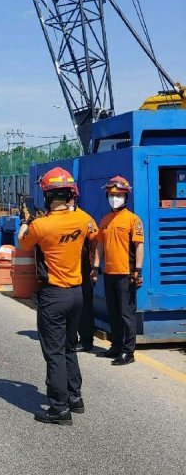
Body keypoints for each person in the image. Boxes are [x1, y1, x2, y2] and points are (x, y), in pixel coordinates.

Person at [18, 167, 99, 425]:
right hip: (76, 293)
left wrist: (25, 220)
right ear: (70, 194)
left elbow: (23, 242)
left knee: (53, 352)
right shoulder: (84, 219)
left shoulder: (40, 226)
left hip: (54, 296)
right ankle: (75, 398)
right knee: (68, 347)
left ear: (47, 196)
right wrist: (94, 266)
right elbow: (95, 237)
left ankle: (59, 408)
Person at [92, 176, 144, 366]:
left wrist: (137, 270)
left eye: (119, 195)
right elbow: (100, 245)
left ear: (126, 197)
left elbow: (139, 246)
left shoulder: (133, 220)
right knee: (113, 312)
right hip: (110, 273)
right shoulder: (105, 220)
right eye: (112, 195)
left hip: (126, 273)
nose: (115, 198)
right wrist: (95, 267)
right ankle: (116, 346)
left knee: (126, 314)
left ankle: (128, 352)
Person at [69, 187, 97, 352]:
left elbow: (94, 243)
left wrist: (94, 267)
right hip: (65, 269)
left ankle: (86, 340)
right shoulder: (57, 218)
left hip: (82, 268)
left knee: (85, 305)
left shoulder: (85, 219)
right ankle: (71, 337)